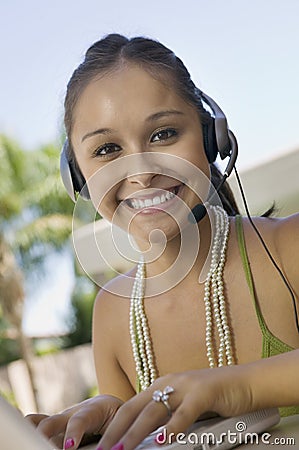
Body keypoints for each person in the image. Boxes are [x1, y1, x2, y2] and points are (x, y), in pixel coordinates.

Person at [27, 33, 299, 450]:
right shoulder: (113, 313)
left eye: (163, 134)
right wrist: (109, 416)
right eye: (107, 149)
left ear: (213, 139)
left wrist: (234, 388)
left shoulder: (288, 247)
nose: (139, 173)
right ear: (77, 177)